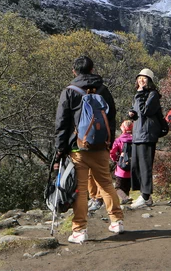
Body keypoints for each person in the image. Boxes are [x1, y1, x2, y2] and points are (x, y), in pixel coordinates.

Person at [54, 56, 124, 244]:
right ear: (93, 70)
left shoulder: (69, 91)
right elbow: (111, 116)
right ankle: (117, 221)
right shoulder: (103, 90)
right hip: (101, 146)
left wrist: (60, 149)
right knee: (106, 184)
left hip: (78, 148)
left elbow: (61, 123)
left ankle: (79, 230)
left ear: (74, 71)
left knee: (81, 190)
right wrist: (109, 141)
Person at [127, 68, 163, 209]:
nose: (141, 80)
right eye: (139, 77)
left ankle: (145, 196)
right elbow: (136, 110)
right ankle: (144, 195)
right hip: (137, 133)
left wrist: (140, 94)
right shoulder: (139, 94)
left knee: (145, 166)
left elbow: (145, 111)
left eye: (145, 78)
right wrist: (130, 113)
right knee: (136, 165)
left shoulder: (153, 95)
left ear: (150, 81)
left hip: (147, 134)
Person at [110, 120, 134, 204]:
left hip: (121, 168)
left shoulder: (119, 140)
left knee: (117, 187)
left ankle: (125, 198)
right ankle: (126, 200)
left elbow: (112, 152)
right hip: (133, 167)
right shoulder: (136, 138)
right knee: (127, 187)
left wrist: (116, 160)